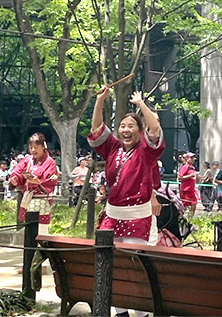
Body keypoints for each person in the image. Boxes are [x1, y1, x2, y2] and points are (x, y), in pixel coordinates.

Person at [88, 87, 164, 317]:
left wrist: (141, 104)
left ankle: (141, 313)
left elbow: (155, 128)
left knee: (134, 268)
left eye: (131, 126)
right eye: (122, 126)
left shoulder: (147, 151)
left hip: (136, 217)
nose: (126, 130)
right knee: (112, 268)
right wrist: (100, 101)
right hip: (112, 216)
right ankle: (120, 312)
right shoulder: (112, 147)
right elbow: (97, 128)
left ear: (140, 132)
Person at [9, 133, 58, 235]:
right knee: (30, 230)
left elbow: (51, 180)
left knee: (41, 230)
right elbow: (18, 171)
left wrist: (38, 182)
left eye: (36, 147)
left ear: (43, 146)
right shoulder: (28, 160)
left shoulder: (50, 162)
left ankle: (41, 248)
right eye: (31, 147)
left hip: (42, 199)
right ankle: (30, 249)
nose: (33, 150)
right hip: (28, 198)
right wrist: (15, 179)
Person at [178, 152, 198, 217]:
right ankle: (181, 219)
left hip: (192, 190)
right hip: (185, 190)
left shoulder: (192, 167)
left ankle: (190, 219)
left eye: (193, 158)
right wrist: (190, 176)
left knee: (194, 204)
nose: (193, 159)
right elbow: (180, 177)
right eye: (191, 158)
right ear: (187, 159)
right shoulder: (185, 167)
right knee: (184, 207)